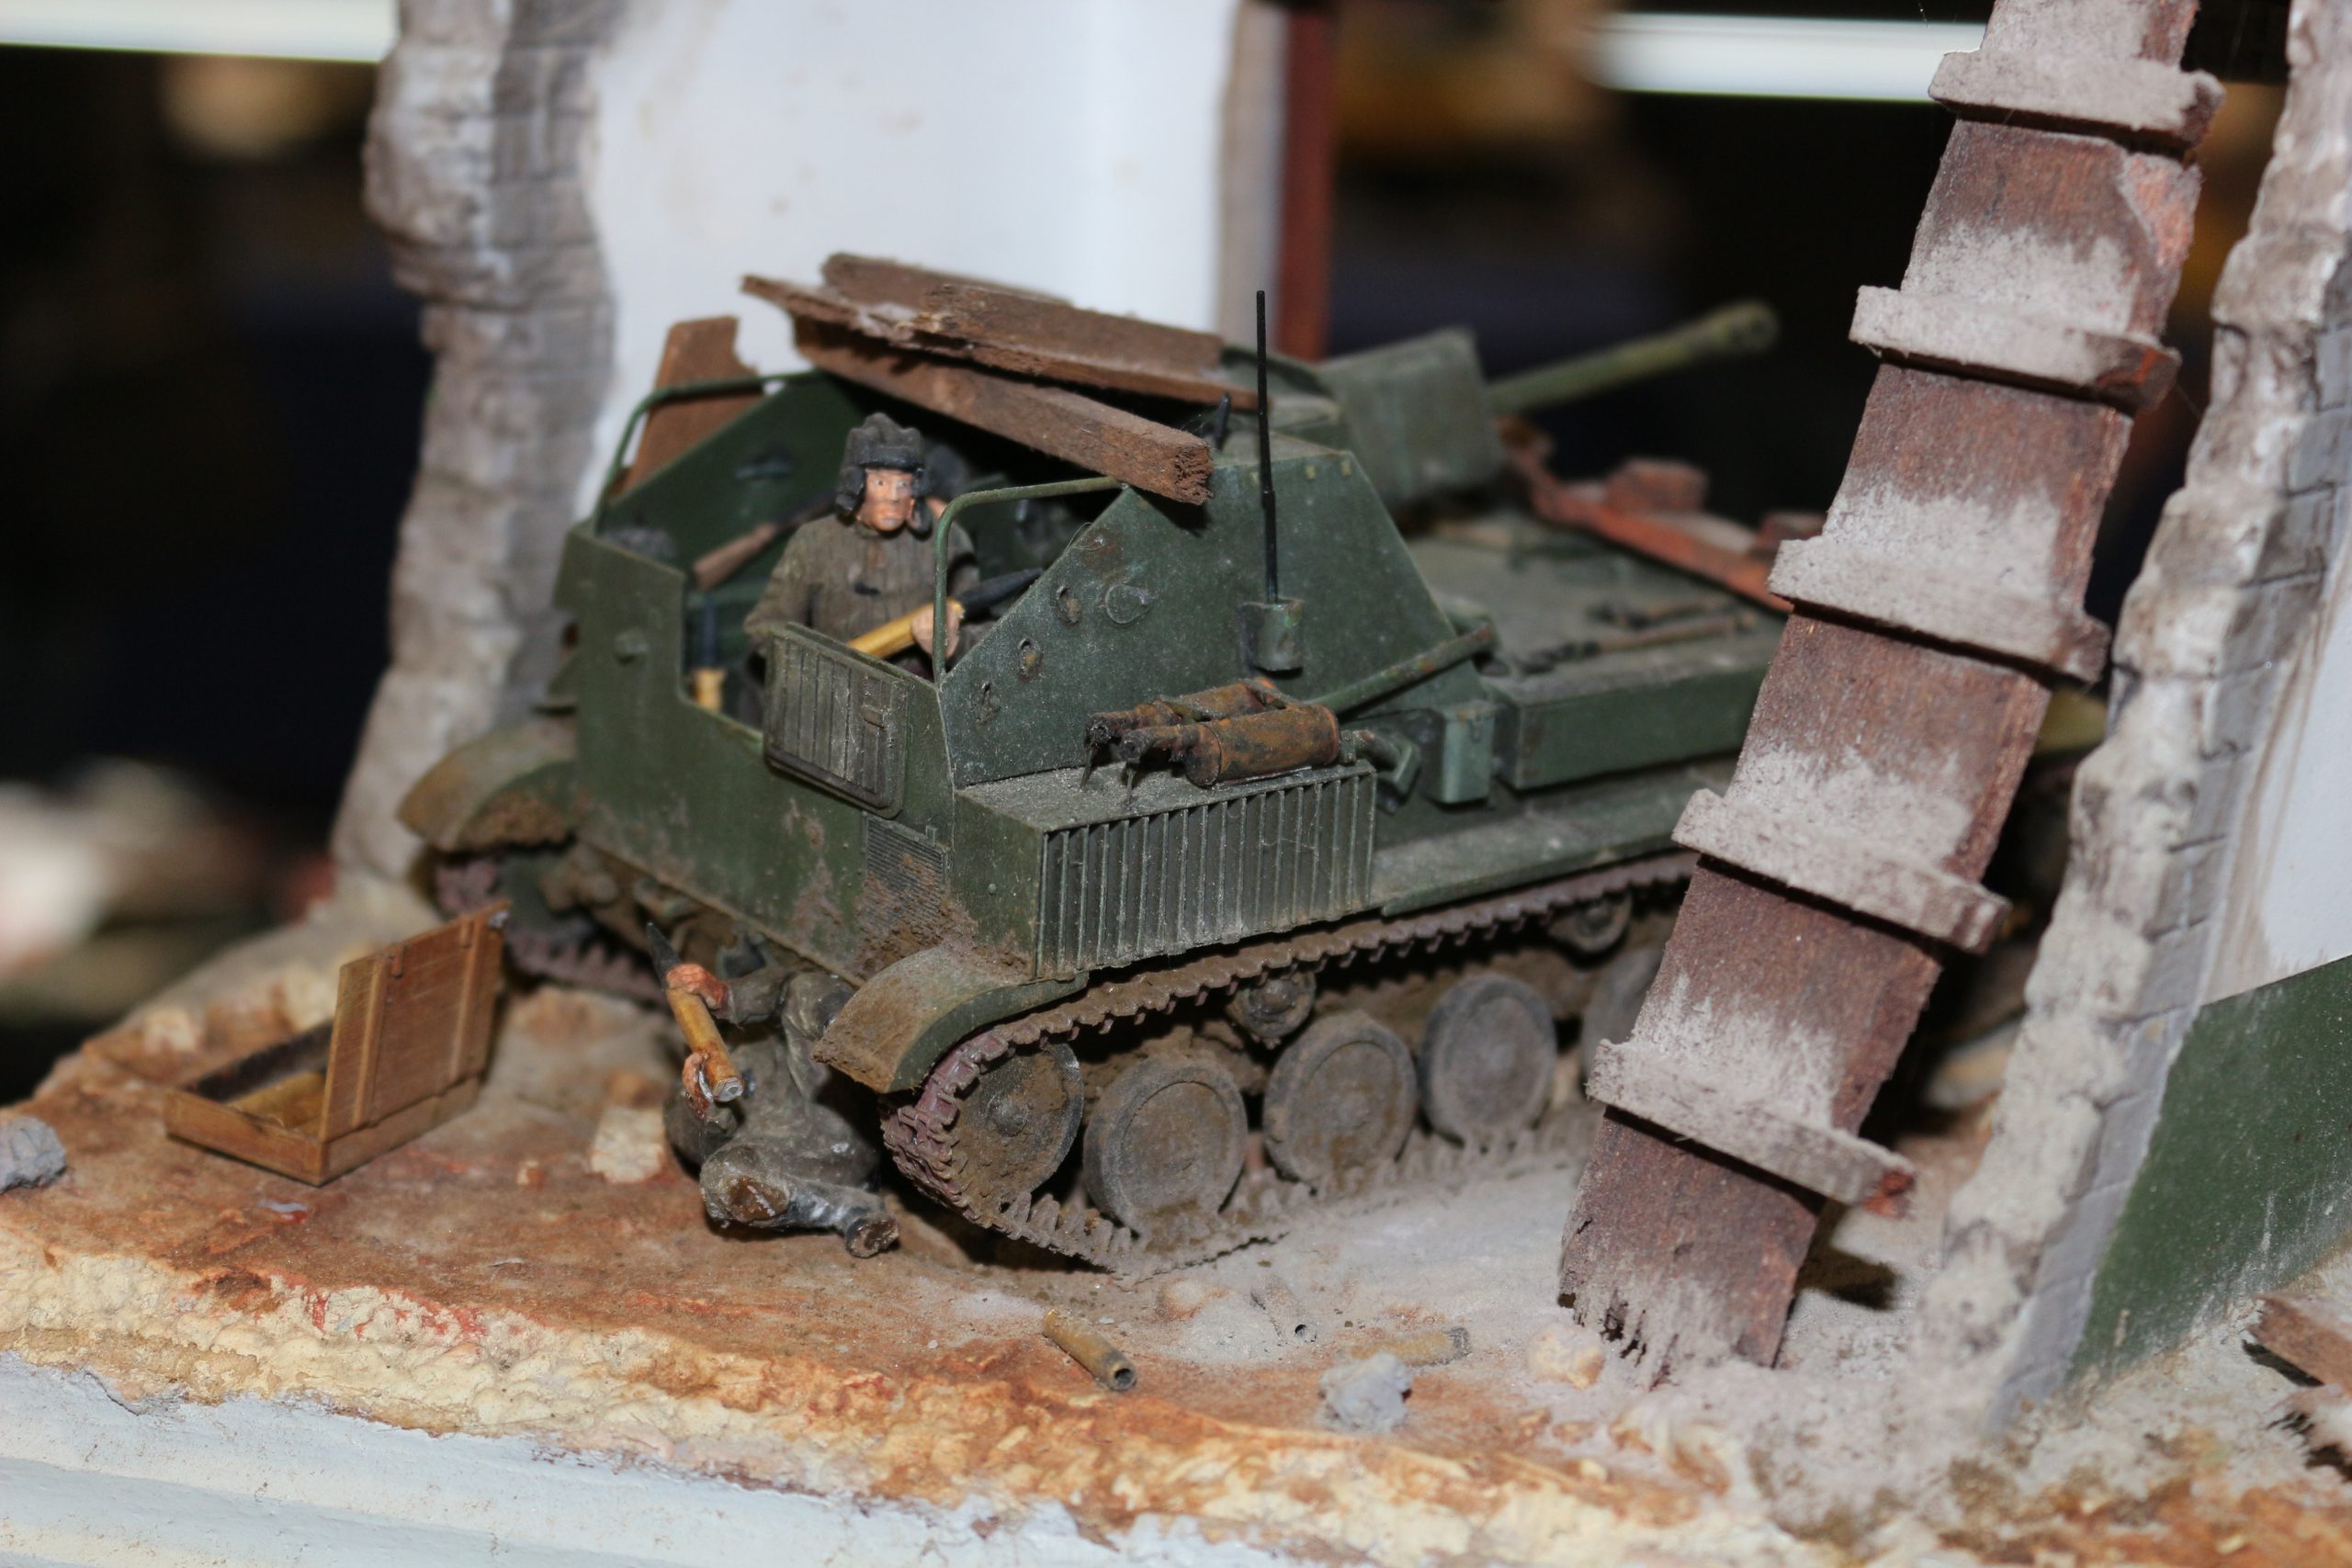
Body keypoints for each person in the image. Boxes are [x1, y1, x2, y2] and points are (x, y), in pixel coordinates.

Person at [744, 412, 977, 669]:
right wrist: (818, 664)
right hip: (837, 685)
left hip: (922, 684)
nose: (893, 497)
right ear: (856, 486)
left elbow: (982, 630)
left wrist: (952, 643)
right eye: (881, 482)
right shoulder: (815, 542)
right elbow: (765, 628)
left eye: (903, 485)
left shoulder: (947, 540)